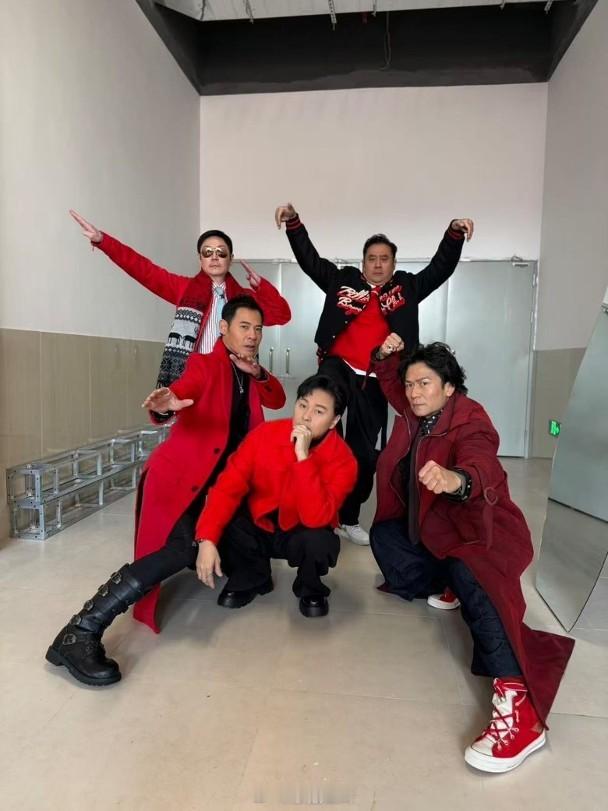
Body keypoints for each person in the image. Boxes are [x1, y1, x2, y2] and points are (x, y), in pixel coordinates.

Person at [46, 296, 285, 686]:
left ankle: (249, 572)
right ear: (224, 328)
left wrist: (257, 372)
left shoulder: (247, 368)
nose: (252, 335)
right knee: (180, 549)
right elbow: (183, 389)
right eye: (244, 327)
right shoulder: (205, 364)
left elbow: (277, 397)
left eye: (258, 329)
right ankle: (80, 631)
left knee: (256, 514)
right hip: (179, 481)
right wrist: (168, 405)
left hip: (217, 487)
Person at [369, 339, 574, 773]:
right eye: (410, 385)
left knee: (474, 576)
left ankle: (520, 707)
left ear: (449, 387)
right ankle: (447, 582)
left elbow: (482, 460)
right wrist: (386, 358)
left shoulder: (470, 418)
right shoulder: (414, 410)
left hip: (478, 530)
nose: (414, 392)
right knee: (385, 536)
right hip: (433, 528)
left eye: (424, 383)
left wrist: (457, 480)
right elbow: (390, 383)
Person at [274, 202, 473, 545]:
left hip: (377, 377)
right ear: (363, 262)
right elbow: (310, 260)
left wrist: (454, 235)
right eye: (371, 258)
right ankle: (311, 503)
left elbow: (439, 269)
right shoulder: (342, 280)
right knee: (321, 427)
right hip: (338, 366)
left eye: (384, 259)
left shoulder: (406, 288)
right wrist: (293, 223)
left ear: (393, 264)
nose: (378, 264)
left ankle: (348, 517)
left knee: (364, 453)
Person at [69, 209, 290, 419]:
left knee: (234, 430)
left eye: (221, 252)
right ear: (200, 259)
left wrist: (262, 288)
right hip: (196, 378)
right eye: (207, 252)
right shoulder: (184, 289)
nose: (214, 257)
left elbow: (281, 315)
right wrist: (103, 241)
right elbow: (144, 270)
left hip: (234, 377)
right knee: (196, 433)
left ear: (230, 258)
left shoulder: (244, 299)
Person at [195, 375, 358, 618]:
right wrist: (206, 539)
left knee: (319, 541)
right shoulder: (265, 434)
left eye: (319, 411)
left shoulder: (344, 461)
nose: (305, 416)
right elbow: (227, 488)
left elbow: (316, 517)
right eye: (302, 405)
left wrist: (303, 457)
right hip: (261, 522)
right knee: (226, 520)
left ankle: (309, 587)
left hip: (303, 529)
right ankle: (253, 577)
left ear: (334, 420)